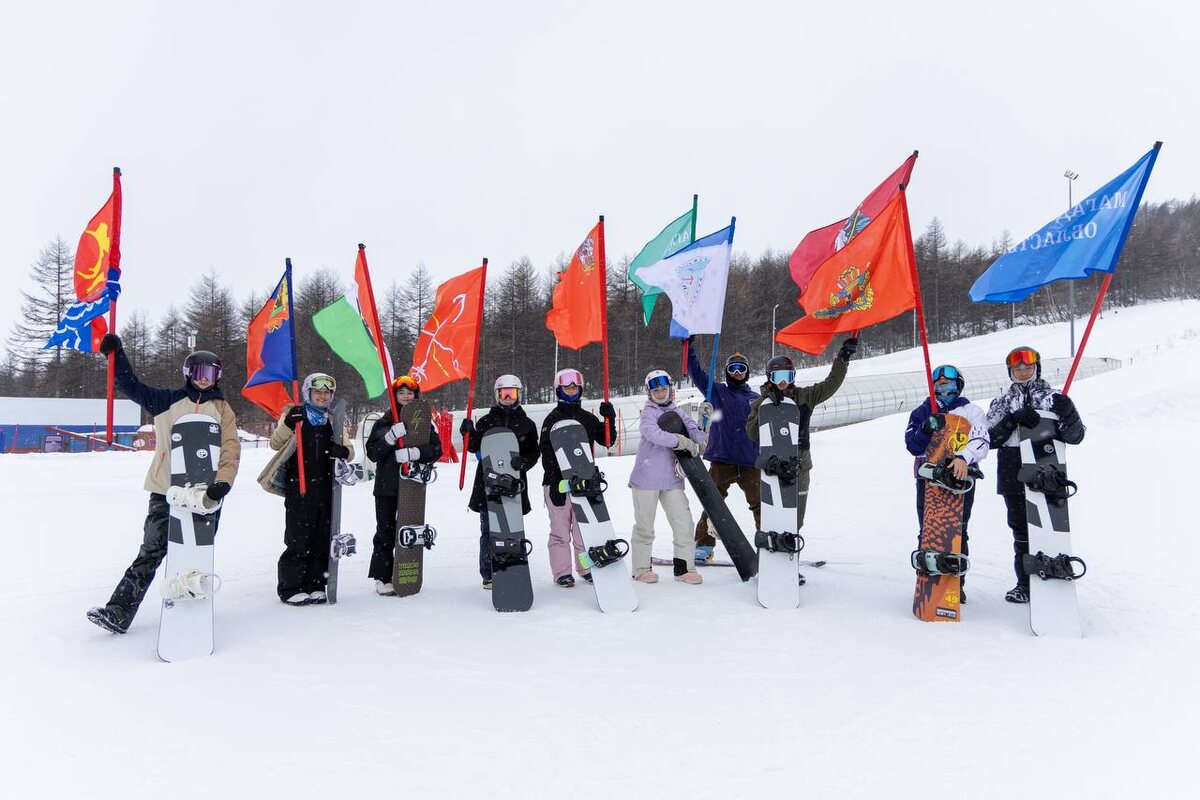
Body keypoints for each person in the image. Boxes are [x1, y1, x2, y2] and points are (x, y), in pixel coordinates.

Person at [86, 334, 241, 634]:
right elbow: (131, 386)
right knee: (151, 551)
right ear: (188, 374)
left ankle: (193, 608)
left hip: (205, 496)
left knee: (195, 552)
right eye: (199, 373)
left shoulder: (223, 409)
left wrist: (222, 483)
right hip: (165, 491)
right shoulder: (166, 401)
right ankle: (118, 611)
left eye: (211, 374)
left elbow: (231, 448)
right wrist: (116, 355)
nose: (205, 380)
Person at [985, 346, 1085, 604]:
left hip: (1046, 469)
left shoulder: (1053, 398)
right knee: (1020, 530)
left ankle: (1054, 575)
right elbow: (989, 439)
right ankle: (1024, 583)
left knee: (1047, 526)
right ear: (1010, 371)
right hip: (1012, 470)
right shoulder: (1001, 402)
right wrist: (1011, 420)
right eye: (1017, 368)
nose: (1022, 371)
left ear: (1037, 367)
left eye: (1027, 366)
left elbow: (1075, 436)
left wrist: (1069, 413)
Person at [747, 337, 857, 537]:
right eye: (778, 376)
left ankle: (789, 549)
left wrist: (843, 359)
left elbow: (830, 384)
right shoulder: (760, 403)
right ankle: (770, 549)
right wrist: (765, 406)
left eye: (787, 376)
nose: (782, 382)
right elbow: (752, 434)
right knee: (773, 513)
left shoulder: (806, 396)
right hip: (773, 465)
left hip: (800, 464)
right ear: (769, 377)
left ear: (793, 377)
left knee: (796, 517)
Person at [903, 364, 990, 602]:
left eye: (949, 384)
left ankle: (955, 583)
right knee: (929, 528)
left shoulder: (971, 411)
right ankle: (927, 578)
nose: (944, 389)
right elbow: (912, 445)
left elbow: (982, 439)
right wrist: (925, 429)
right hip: (929, 478)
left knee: (957, 530)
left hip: (960, 479)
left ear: (958, 386)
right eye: (939, 385)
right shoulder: (923, 411)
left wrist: (964, 458)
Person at [270, 373, 353, 606]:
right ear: (308, 392)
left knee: (321, 535)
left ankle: (315, 583)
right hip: (300, 483)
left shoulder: (333, 418)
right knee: (298, 536)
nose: (322, 396)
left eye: (327, 392)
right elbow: (275, 443)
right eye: (318, 392)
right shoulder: (295, 414)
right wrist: (288, 423)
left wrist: (343, 452)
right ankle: (291, 586)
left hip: (326, 484)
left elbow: (349, 448)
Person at [537, 368, 617, 587]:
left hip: (584, 484)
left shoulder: (587, 418)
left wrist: (609, 418)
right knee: (561, 533)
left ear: (580, 390)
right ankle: (562, 572)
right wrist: (554, 482)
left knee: (584, 532)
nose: (571, 391)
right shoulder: (552, 419)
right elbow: (547, 452)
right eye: (566, 388)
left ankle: (585, 567)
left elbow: (607, 441)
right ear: (558, 390)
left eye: (574, 388)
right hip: (559, 484)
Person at [628, 370, 707, 584]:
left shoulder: (678, 411)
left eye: (664, 388)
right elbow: (653, 434)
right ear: (650, 393)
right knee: (645, 525)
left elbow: (695, 433)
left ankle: (684, 568)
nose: (661, 393)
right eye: (656, 390)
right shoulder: (648, 413)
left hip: (672, 478)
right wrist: (682, 442)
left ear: (671, 389)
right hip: (646, 478)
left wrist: (704, 424)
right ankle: (641, 568)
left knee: (683, 522)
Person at [460, 374, 539, 589]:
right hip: (488, 484)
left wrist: (524, 462)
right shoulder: (486, 421)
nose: (507, 397)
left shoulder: (527, 424)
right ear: (497, 395)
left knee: (512, 527)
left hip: (513, 483)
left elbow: (534, 452)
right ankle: (489, 572)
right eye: (503, 393)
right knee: (489, 529)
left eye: (511, 393)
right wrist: (468, 432)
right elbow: (474, 447)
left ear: (518, 395)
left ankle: (513, 566)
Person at [366, 374, 442, 595]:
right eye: (401, 393)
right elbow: (373, 453)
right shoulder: (383, 423)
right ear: (395, 395)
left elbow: (436, 450)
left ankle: (406, 570)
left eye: (410, 393)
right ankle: (382, 576)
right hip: (386, 486)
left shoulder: (424, 422)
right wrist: (390, 437)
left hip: (412, 486)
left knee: (409, 529)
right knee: (386, 531)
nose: (406, 396)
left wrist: (415, 452)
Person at [686, 342, 761, 564]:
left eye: (741, 369)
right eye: (733, 369)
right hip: (722, 460)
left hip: (750, 461)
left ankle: (767, 545)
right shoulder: (717, 392)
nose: (737, 373)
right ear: (726, 372)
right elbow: (696, 373)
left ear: (747, 373)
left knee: (760, 505)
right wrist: (688, 347)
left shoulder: (756, 398)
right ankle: (704, 546)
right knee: (713, 502)